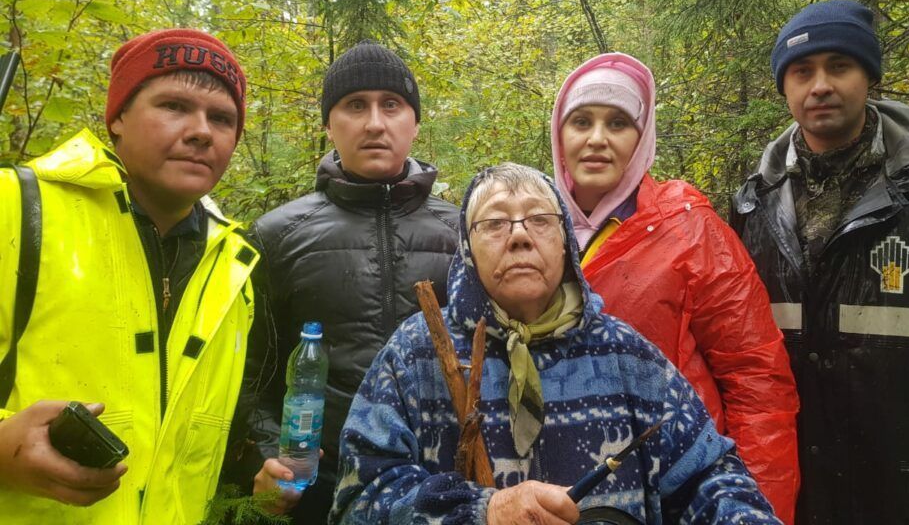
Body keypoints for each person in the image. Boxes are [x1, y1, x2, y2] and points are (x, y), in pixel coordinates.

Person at [330, 163, 782, 524]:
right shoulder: (417, 354)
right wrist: (480, 512)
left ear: (566, 242)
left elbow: (711, 478)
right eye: (495, 223)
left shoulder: (627, 356)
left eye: (540, 220)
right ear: (467, 249)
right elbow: (357, 499)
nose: (519, 236)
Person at [0, 29, 259, 523]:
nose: (202, 131)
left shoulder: (234, 267)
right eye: (174, 106)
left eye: (222, 118)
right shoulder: (16, 209)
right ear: (117, 117)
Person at [731, 0, 909, 524]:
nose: (820, 86)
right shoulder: (753, 204)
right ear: (784, 87)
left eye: (839, 66)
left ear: (869, 76)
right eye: (802, 71)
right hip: (798, 487)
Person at [550, 53, 800, 522]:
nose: (597, 138)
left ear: (642, 137)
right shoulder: (531, 226)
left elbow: (756, 382)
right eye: (581, 121)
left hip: (679, 491)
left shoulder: (690, 230)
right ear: (559, 135)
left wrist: (756, 509)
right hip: (561, 491)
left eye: (618, 123)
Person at [246, 40, 459, 521]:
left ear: (415, 123)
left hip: (438, 487)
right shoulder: (277, 236)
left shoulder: (463, 233)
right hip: (315, 491)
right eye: (355, 105)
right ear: (329, 124)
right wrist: (265, 455)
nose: (375, 123)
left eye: (392, 104)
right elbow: (252, 372)